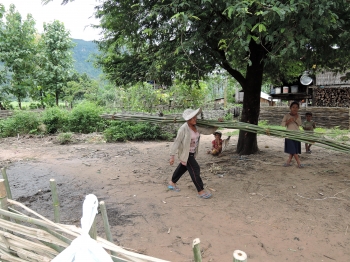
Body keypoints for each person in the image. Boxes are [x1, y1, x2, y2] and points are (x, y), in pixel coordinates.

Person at [168, 108, 212, 199]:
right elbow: (177, 142)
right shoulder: (183, 128)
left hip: (192, 153)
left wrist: (217, 125)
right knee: (195, 169)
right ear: (188, 119)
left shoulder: (196, 126)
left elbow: (207, 131)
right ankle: (200, 191)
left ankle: (172, 183)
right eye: (192, 118)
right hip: (186, 154)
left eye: (195, 117)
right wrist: (172, 156)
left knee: (183, 167)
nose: (195, 119)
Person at [281, 101, 304, 168]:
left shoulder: (298, 116)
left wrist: (296, 119)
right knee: (293, 149)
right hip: (289, 134)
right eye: (293, 107)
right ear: (290, 108)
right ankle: (299, 163)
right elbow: (282, 124)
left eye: (296, 107)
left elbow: (300, 124)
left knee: (293, 149)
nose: (295, 109)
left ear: (298, 108)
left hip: (297, 135)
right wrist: (288, 121)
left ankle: (288, 162)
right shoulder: (287, 116)